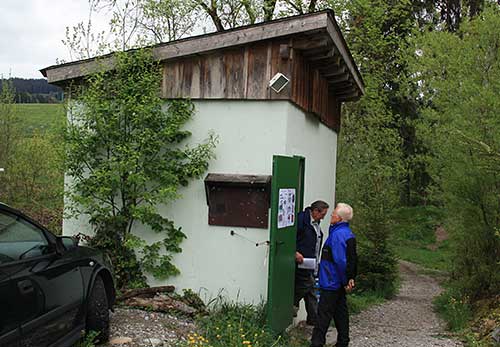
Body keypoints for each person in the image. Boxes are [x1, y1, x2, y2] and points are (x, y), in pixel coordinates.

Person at [311, 202, 357, 347]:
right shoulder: (345, 233)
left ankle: (317, 343)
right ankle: (343, 342)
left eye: (334, 214)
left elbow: (341, 261)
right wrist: (349, 279)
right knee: (340, 313)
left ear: (340, 218)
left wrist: (345, 281)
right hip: (337, 281)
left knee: (323, 314)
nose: (331, 215)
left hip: (332, 281)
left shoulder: (338, 235)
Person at [294, 200, 329, 326]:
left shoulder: (315, 222)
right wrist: (295, 252)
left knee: (312, 291)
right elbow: (290, 237)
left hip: (310, 263)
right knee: (307, 285)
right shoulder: (301, 221)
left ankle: (314, 319)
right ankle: (291, 305)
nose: (323, 217)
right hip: (301, 263)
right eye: (323, 214)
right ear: (315, 211)